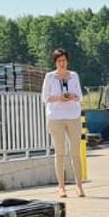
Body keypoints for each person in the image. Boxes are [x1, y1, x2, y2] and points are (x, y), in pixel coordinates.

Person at [41, 49, 86, 198]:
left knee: (75, 152)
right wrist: (59, 98)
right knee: (60, 153)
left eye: (64, 60)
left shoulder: (74, 76)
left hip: (73, 116)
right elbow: (45, 97)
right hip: (55, 117)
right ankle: (61, 187)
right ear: (55, 62)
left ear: (67, 61)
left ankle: (79, 186)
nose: (62, 63)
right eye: (59, 61)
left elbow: (80, 96)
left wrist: (72, 96)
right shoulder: (50, 77)